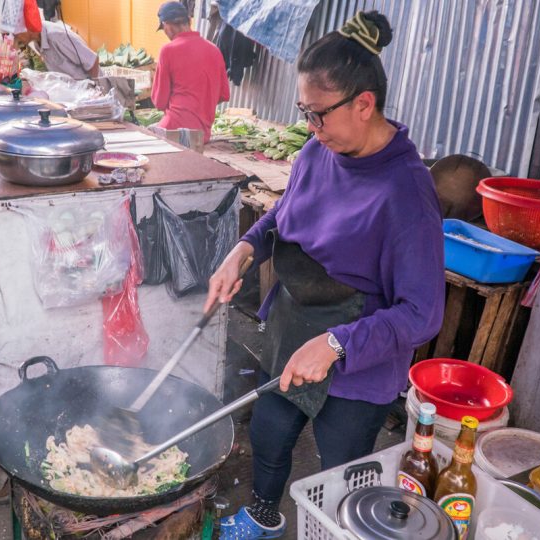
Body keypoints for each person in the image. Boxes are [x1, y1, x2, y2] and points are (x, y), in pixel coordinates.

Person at [204, 11, 445, 539]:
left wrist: (336, 345)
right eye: (304, 113)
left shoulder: (406, 193)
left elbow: (423, 313)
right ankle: (265, 517)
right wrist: (243, 251)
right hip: (294, 322)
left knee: (340, 470)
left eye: (318, 115)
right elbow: (283, 216)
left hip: (360, 354)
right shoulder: (317, 151)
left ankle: (331, 529)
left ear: (364, 104)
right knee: (269, 432)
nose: (310, 129)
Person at [150, 1, 229, 143]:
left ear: (167, 25)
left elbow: (159, 102)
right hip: (202, 135)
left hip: (173, 131)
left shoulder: (168, 50)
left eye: (163, 28)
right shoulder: (214, 50)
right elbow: (223, 95)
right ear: (188, 21)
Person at [14, 20, 100, 80]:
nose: (17, 38)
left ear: (27, 28)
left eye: (17, 35)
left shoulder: (56, 36)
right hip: (70, 90)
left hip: (89, 90)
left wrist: (95, 90)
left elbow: (93, 61)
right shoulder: (37, 41)